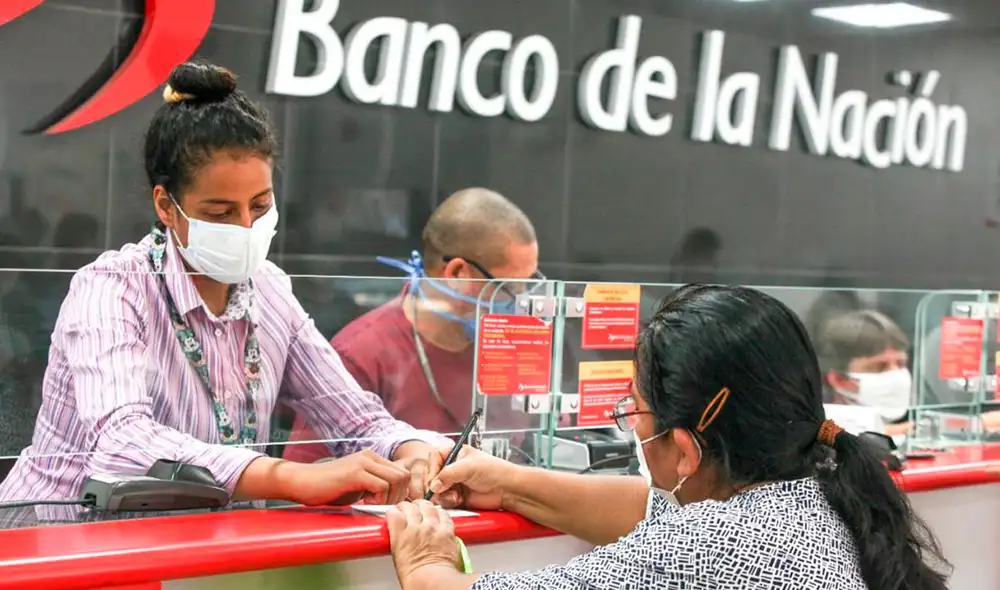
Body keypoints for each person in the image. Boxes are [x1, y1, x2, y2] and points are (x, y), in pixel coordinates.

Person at [0, 61, 452, 509]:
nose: (245, 226)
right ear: (166, 205)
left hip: (201, 546)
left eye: (260, 205)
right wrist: (290, 478)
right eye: (220, 213)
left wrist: (408, 450)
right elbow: (123, 441)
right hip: (61, 542)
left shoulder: (270, 291)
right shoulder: (112, 289)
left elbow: (355, 417)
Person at [384, 285, 951, 589]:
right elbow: (654, 512)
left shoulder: (714, 544)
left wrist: (425, 561)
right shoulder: (824, 485)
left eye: (634, 408)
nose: (630, 421)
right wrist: (509, 483)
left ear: (685, 447)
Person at [283, 188, 542, 463]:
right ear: (456, 273)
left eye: (530, 282)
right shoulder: (362, 354)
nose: (520, 300)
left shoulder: (512, 346)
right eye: (509, 287)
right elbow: (307, 478)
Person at [815, 310, 912, 436]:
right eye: (879, 367)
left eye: (901, 363)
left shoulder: (915, 424)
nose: (896, 375)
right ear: (838, 380)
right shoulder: (814, 428)